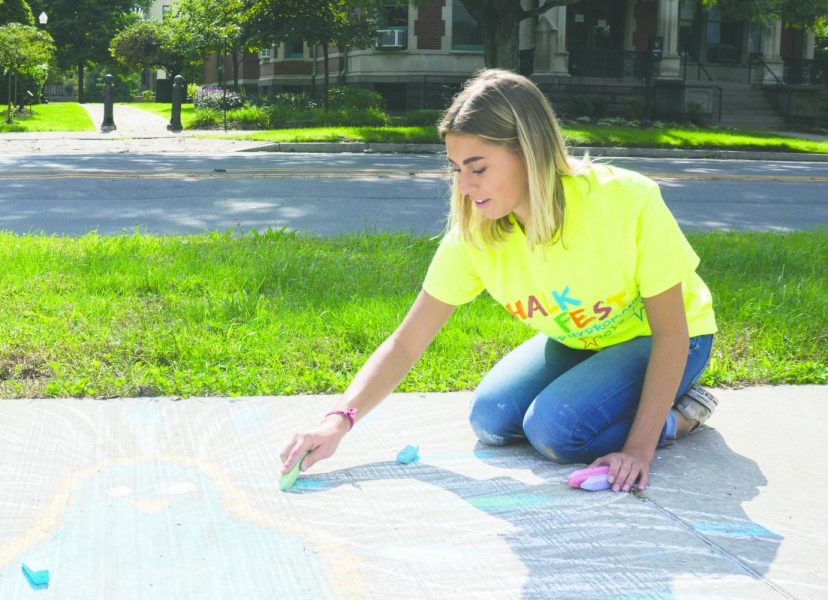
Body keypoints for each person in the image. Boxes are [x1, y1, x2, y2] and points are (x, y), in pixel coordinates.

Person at [280, 69, 718, 493]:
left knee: (557, 430)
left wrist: (639, 449)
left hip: (670, 339)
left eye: (478, 168)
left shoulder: (626, 200)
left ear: (529, 152)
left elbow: (671, 331)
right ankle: (614, 396)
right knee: (491, 418)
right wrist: (337, 421)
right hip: (582, 340)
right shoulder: (476, 234)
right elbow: (407, 342)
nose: (466, 186)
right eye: (456, 169)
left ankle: (683, 414)